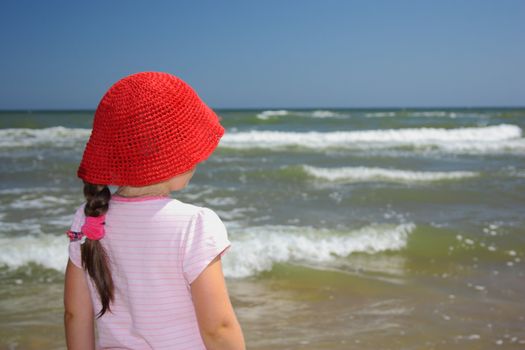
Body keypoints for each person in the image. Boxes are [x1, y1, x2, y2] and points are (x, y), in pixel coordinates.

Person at [63, 72, 245, 350]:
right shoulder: (194, 224)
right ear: (173, 151)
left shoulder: (88, 217)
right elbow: (218, 328)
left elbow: (75, 314)